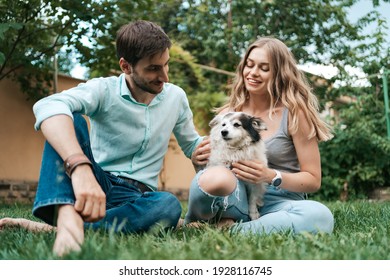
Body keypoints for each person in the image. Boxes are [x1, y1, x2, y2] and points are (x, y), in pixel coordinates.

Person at [0, 20, 203, 256]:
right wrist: (81, 169)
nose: (165, 77)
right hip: (95, 182)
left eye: (166, 65)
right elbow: (48, 105)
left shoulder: (176, 97)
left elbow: (193, 144)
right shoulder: (103, 90)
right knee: (67, 117)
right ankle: (66, 218)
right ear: (126, 66)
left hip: (139, 197)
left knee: (167, 205)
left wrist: (211, 147)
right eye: (153, 69)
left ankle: (63, 228)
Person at [186, 37, 334, 234]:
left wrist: (271, 176)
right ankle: (218, 221)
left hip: (281, 203)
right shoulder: (229, 115)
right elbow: (211, 174)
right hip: (237, 198)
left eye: (264, 68)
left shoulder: (295, 115)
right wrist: (198, 161)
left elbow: (313, 180)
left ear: (279, 74)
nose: (253, 73)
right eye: (249, 65)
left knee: (319, 216)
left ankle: (230, 230)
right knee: (214, 178)